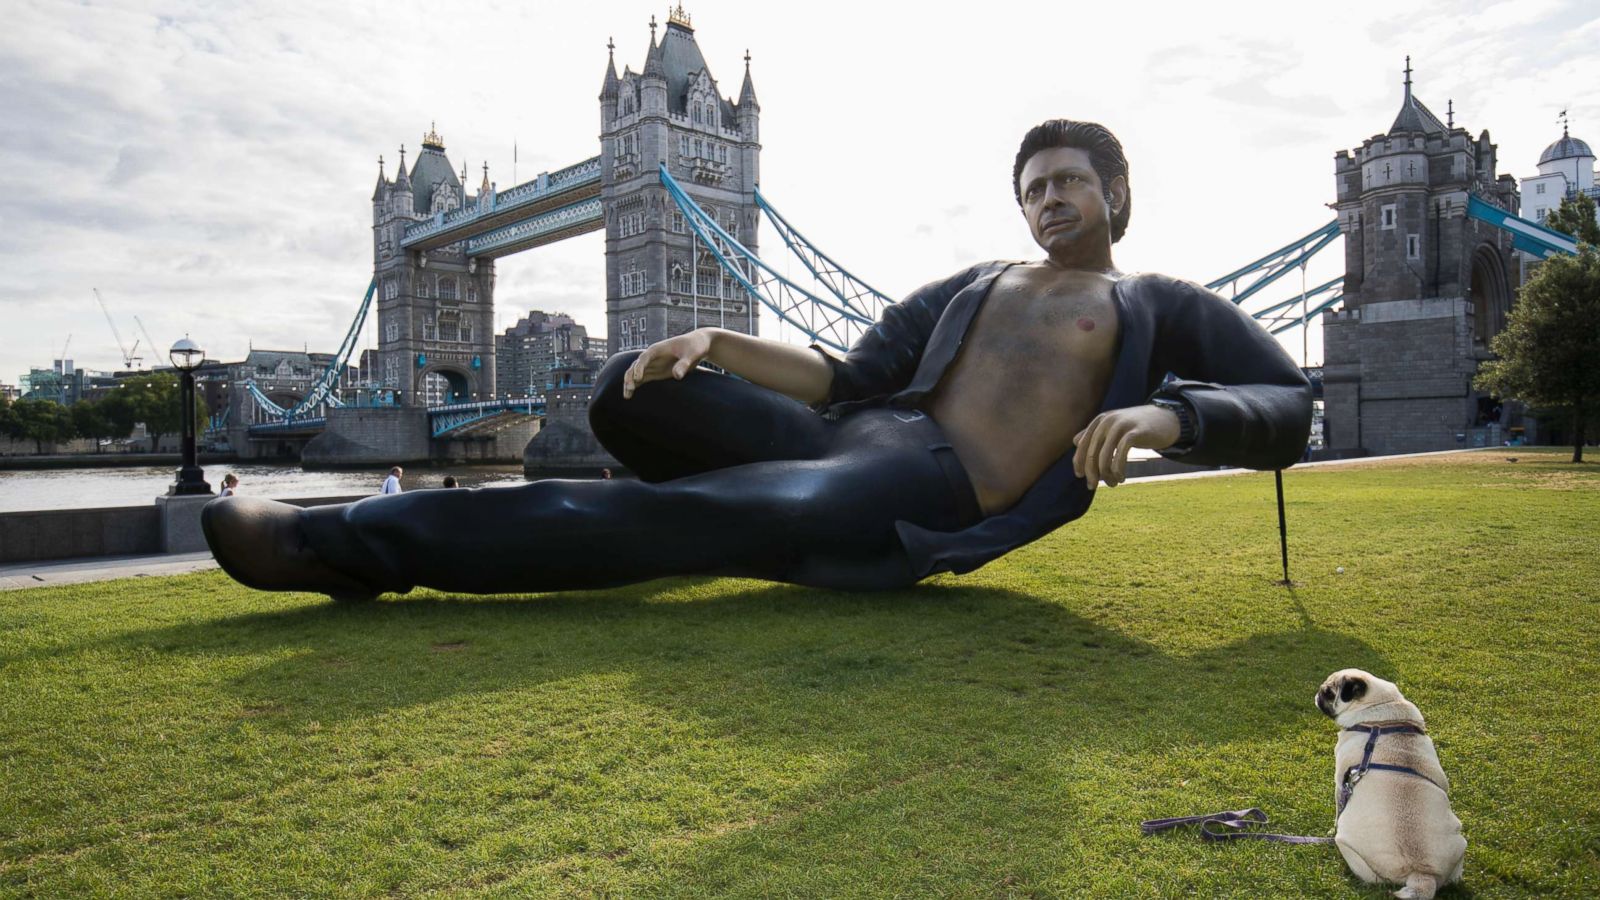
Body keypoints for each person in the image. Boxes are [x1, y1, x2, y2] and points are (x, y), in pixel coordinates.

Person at [201, 120, 1311, 602]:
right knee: (628, 378)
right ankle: (762, 518)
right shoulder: (974, 287)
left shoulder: (1155, 303)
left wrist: (1174, 420)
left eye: (1067, 183)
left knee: (654, 520)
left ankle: (341, 545)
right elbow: (845, 375)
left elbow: (1288, 404)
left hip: (927, 483)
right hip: (850, 438)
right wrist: (716, 341)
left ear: (1113, 193)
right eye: (1031, 190)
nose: (1047, 203)